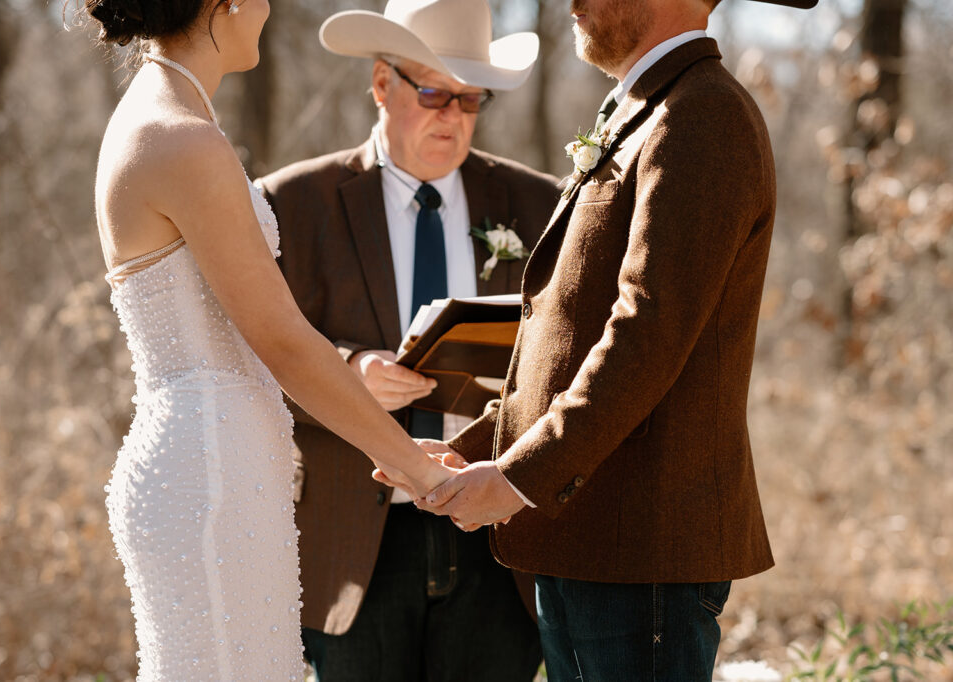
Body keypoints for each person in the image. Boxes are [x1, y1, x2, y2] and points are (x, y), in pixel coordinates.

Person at [382, 0, 816, 679]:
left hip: (638, 553)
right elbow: (573, 335)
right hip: (589, 539)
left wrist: (522, 477)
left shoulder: (703, 113)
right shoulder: (644, 108)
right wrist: (476, 453)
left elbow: (647, 335)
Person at [87, 0, 455, 679]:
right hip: (214, 473)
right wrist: (415, 467)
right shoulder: (183, 138)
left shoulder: (157, 118)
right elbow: (282, 341)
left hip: (209, 460)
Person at [255, 1, 558, 680]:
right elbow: (250, 360)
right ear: (381, 83)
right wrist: (347, 371)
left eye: (469, 99)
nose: (451, 117)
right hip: (355, 542)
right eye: (432, 92)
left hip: (494, 536)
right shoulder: (292, 204)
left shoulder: (538, 205)